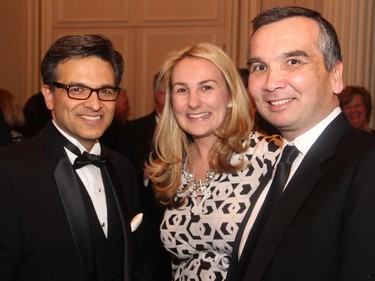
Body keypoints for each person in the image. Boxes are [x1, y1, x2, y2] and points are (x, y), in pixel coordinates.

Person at [228, 6, 375, 281]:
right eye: (260, 67)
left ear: (336, 75)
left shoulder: (366, 163)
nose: (271, 83)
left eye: (293, 62)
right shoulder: (274, 161)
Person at [0, 34, 151, 281]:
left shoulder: (122, 167)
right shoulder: (8, 171)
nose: (95, 104)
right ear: (49, 96)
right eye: (77, 89)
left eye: (105, 90)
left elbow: (139, 257)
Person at [146, 42, 282, 280]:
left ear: (230, 95)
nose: (193, 102)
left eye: (206, 87)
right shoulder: (173, 169)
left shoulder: (269, 157)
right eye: (181, 90)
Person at [117, 72, 171, 281]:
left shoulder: (193, 130)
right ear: (160, 96)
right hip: (148, 232)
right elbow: (122, 176)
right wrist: (147, 174)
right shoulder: (132, 130)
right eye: (178, 91)